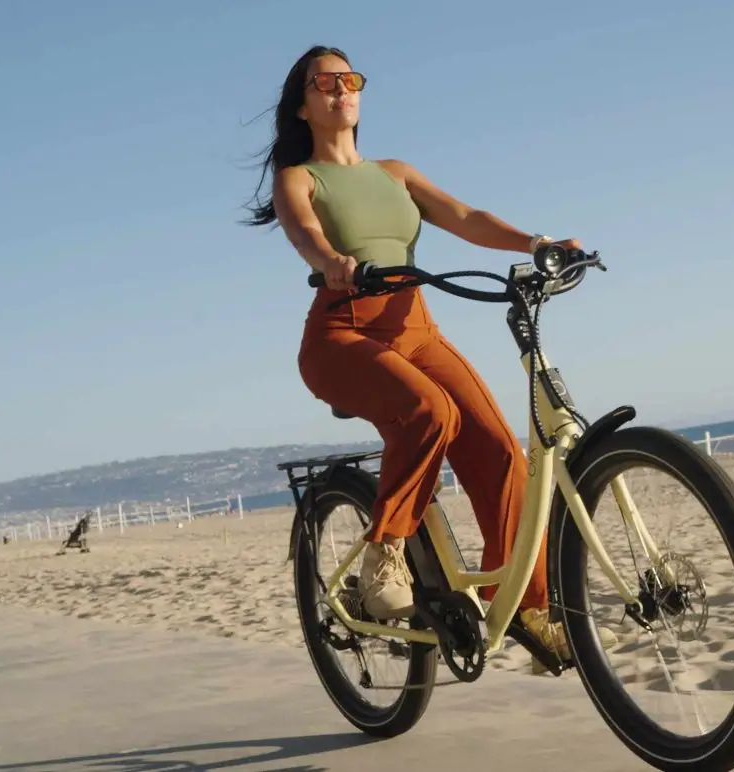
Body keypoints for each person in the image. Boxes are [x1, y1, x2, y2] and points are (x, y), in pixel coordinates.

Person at [244, 46, 610, 672]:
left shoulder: (395, 172)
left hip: (417, 331)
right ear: (303, 104)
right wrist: (331, 262)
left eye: (350, 79)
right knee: (428, 411)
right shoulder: (299, 178)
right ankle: (384, 551)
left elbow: (466, 218)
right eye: (325, 82)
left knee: (498, 449)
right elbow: (304, 229)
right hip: (342, 334)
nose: (342, 90)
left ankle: (524, 604)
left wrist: (537, 242)